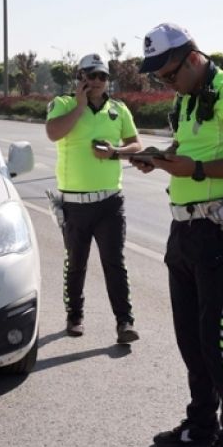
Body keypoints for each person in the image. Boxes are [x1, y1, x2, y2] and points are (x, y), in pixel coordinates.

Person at [131, 23, 223, 447]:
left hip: (221, 233)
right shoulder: (188, 97)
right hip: (184, 232)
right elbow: (189, 151)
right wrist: (160, 158)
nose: (164, 83)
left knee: (220, 339)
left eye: (168, 74)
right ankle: (202, 423)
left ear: (192, 59)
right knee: (191, 337)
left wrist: (195, 169)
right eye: (159, 79)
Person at [45, 53, 144, 344]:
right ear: (80, 78)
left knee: (115, 262)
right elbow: (52, 133)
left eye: (102, 76)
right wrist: (79, 107)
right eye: (91, 75)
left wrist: (116, 152)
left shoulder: (118, 109)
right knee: (76, 262)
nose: (97, 81)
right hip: (75, 204)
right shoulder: (63, 104)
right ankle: (75, 315)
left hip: (110, 202)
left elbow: (136, 144)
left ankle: (124, 322)